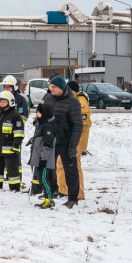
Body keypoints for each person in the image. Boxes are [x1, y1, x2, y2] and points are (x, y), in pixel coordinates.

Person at [42, 75, 83, 208]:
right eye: (50, 87)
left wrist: (73, 145)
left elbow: (78, 125)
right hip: (50, 140)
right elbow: (42, 115)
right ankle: (50, 191)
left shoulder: (73, 102)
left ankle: (73, 198)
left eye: (53, 87)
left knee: (70, 170)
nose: (51, 89)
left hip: (66, 141)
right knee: (47, 168)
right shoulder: (48, 98)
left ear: (61, 87)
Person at [55, 80, 90, 200]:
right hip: (73, 140)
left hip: (76, 141)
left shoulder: (79, 102)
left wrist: (74, 139)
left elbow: (82, 123)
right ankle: (65, 190)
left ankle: (77, 193)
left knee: (71, 166)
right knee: (64, 165)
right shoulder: (73, 101)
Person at [0, 90, 25, 191]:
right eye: (1, 102)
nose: (2, 104)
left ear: (10, 102)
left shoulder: (15, 115)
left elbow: (19, 133)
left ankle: (14, 188)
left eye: (4, 102)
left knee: (12, 170)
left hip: (10, 149)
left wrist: (16, 145)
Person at [27, 102, 58, 209]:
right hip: (39, 158)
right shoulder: (41, 124)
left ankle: (49, 199)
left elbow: (48, 144)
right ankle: (47, 198)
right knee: (41, 179)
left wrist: (43, 158)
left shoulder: (48, 126)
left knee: (44, 179)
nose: (37, 114)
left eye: (39, 112)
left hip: (44, 159)